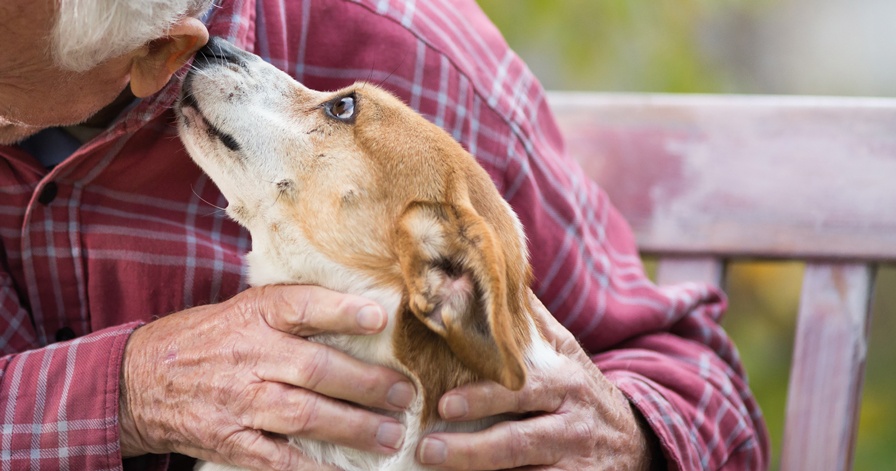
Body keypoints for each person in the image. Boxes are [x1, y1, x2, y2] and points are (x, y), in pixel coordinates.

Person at [0, 0, 769, 469]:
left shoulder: (414, 66)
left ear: (161, 52)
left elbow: (707, 391)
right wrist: (126, 392)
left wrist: (626, 437)